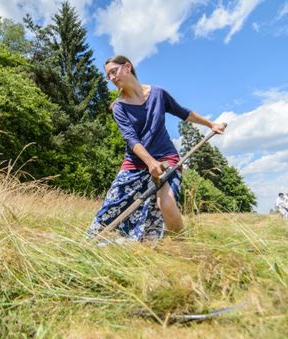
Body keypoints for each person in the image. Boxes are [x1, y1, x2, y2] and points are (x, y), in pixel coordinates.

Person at [87, 55, 226, 242]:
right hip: (136, 163)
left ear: (127, 67)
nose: (111, 78)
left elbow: (184, 113)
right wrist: (149, 162)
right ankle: (91, 244)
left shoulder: (158, 94)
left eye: (114, 71)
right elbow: (131, 138)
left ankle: (181, 246)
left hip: (166, 158)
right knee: (111, 206)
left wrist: (211, 124)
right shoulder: (119, 107)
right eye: (108, 75)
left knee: (166, 204)